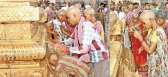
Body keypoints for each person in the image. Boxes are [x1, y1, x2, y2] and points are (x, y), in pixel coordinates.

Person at [53, 6, 109, 77]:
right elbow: (72, 39)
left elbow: (84, 49)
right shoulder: (78, 26)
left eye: (68, 18)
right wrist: (61, 43)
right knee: (82, 71)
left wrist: (66, 49)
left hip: (100, 57)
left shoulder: (86, 27)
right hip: (91, 56)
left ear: (75, 16)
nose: (67, 20)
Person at [133, 10, 168, 77]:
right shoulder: (151, 30)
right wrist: (143, 46)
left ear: (151, 20)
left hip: (158, 64)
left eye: (144, 23)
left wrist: (139, 37)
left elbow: (150, 50)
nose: (143, 25)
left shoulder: (157, 32)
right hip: (153, 62)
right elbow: (150, 41)